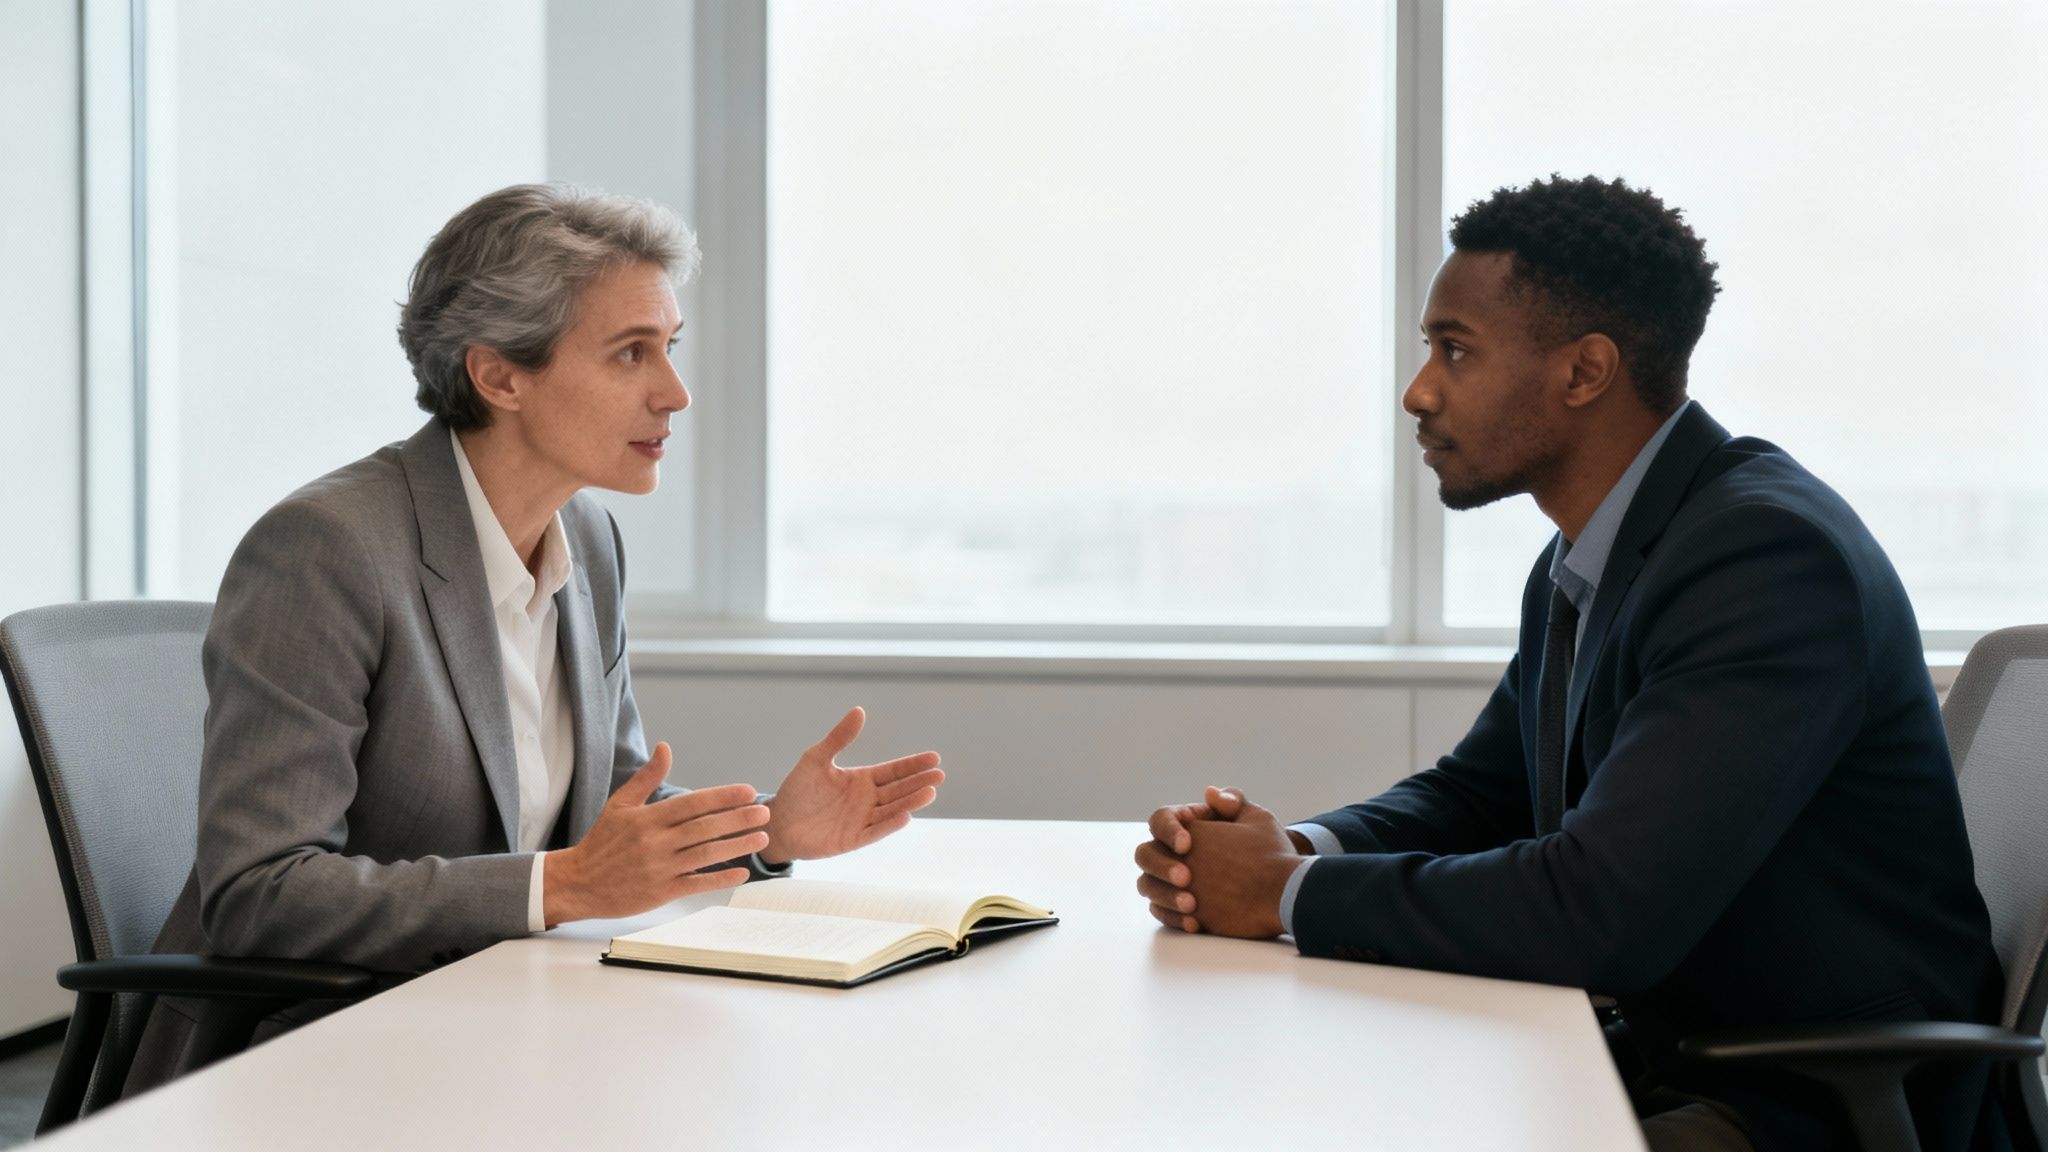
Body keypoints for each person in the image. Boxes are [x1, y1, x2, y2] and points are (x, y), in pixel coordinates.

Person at [1133, 175, 2006, 1151]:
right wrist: (1296, 850)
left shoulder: (1761, 560)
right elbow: (1479, 796)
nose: (1417, 390)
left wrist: (1281, 897)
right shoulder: (1590, 555)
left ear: (1584, 371)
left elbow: (1599, 910)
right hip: (1658, 1053)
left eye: (1453, 350)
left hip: (1801, 1101)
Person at [127, 184, 945, 1093]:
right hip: (316, 1050)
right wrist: (562, 889)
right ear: (500, 376)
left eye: (669, 349)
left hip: (495, 1014)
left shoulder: (585, 537)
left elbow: (603, 809)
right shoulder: (329, 549)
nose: (674, 393)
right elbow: (259, 895)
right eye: (631, 354)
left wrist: (763, 834)